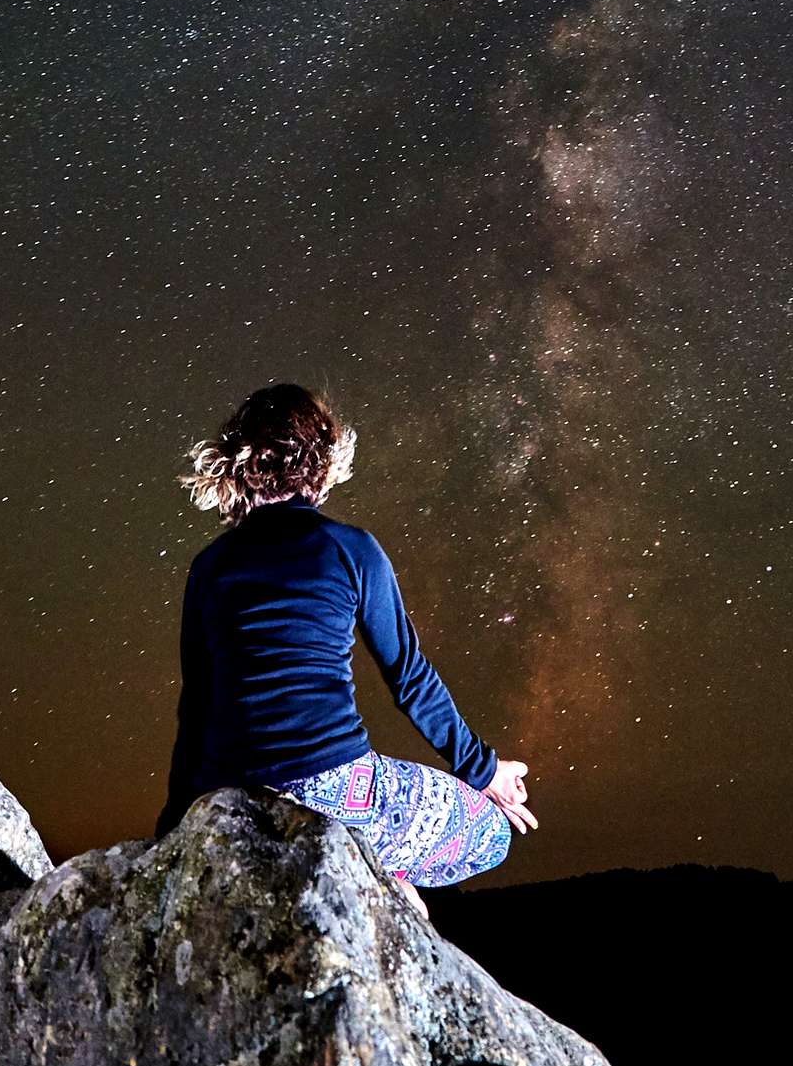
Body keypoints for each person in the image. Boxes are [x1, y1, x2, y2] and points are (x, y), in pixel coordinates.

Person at [152, 382, 538, 920]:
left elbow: (194, 707)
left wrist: (172, 831)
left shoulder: (208, 567)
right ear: (320, 461)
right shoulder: (352, 549)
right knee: (493, 834)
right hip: (333, 787)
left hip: (232, 795)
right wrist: (485, 770)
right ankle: (375, 879)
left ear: (238, 462)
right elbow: (410, 676)